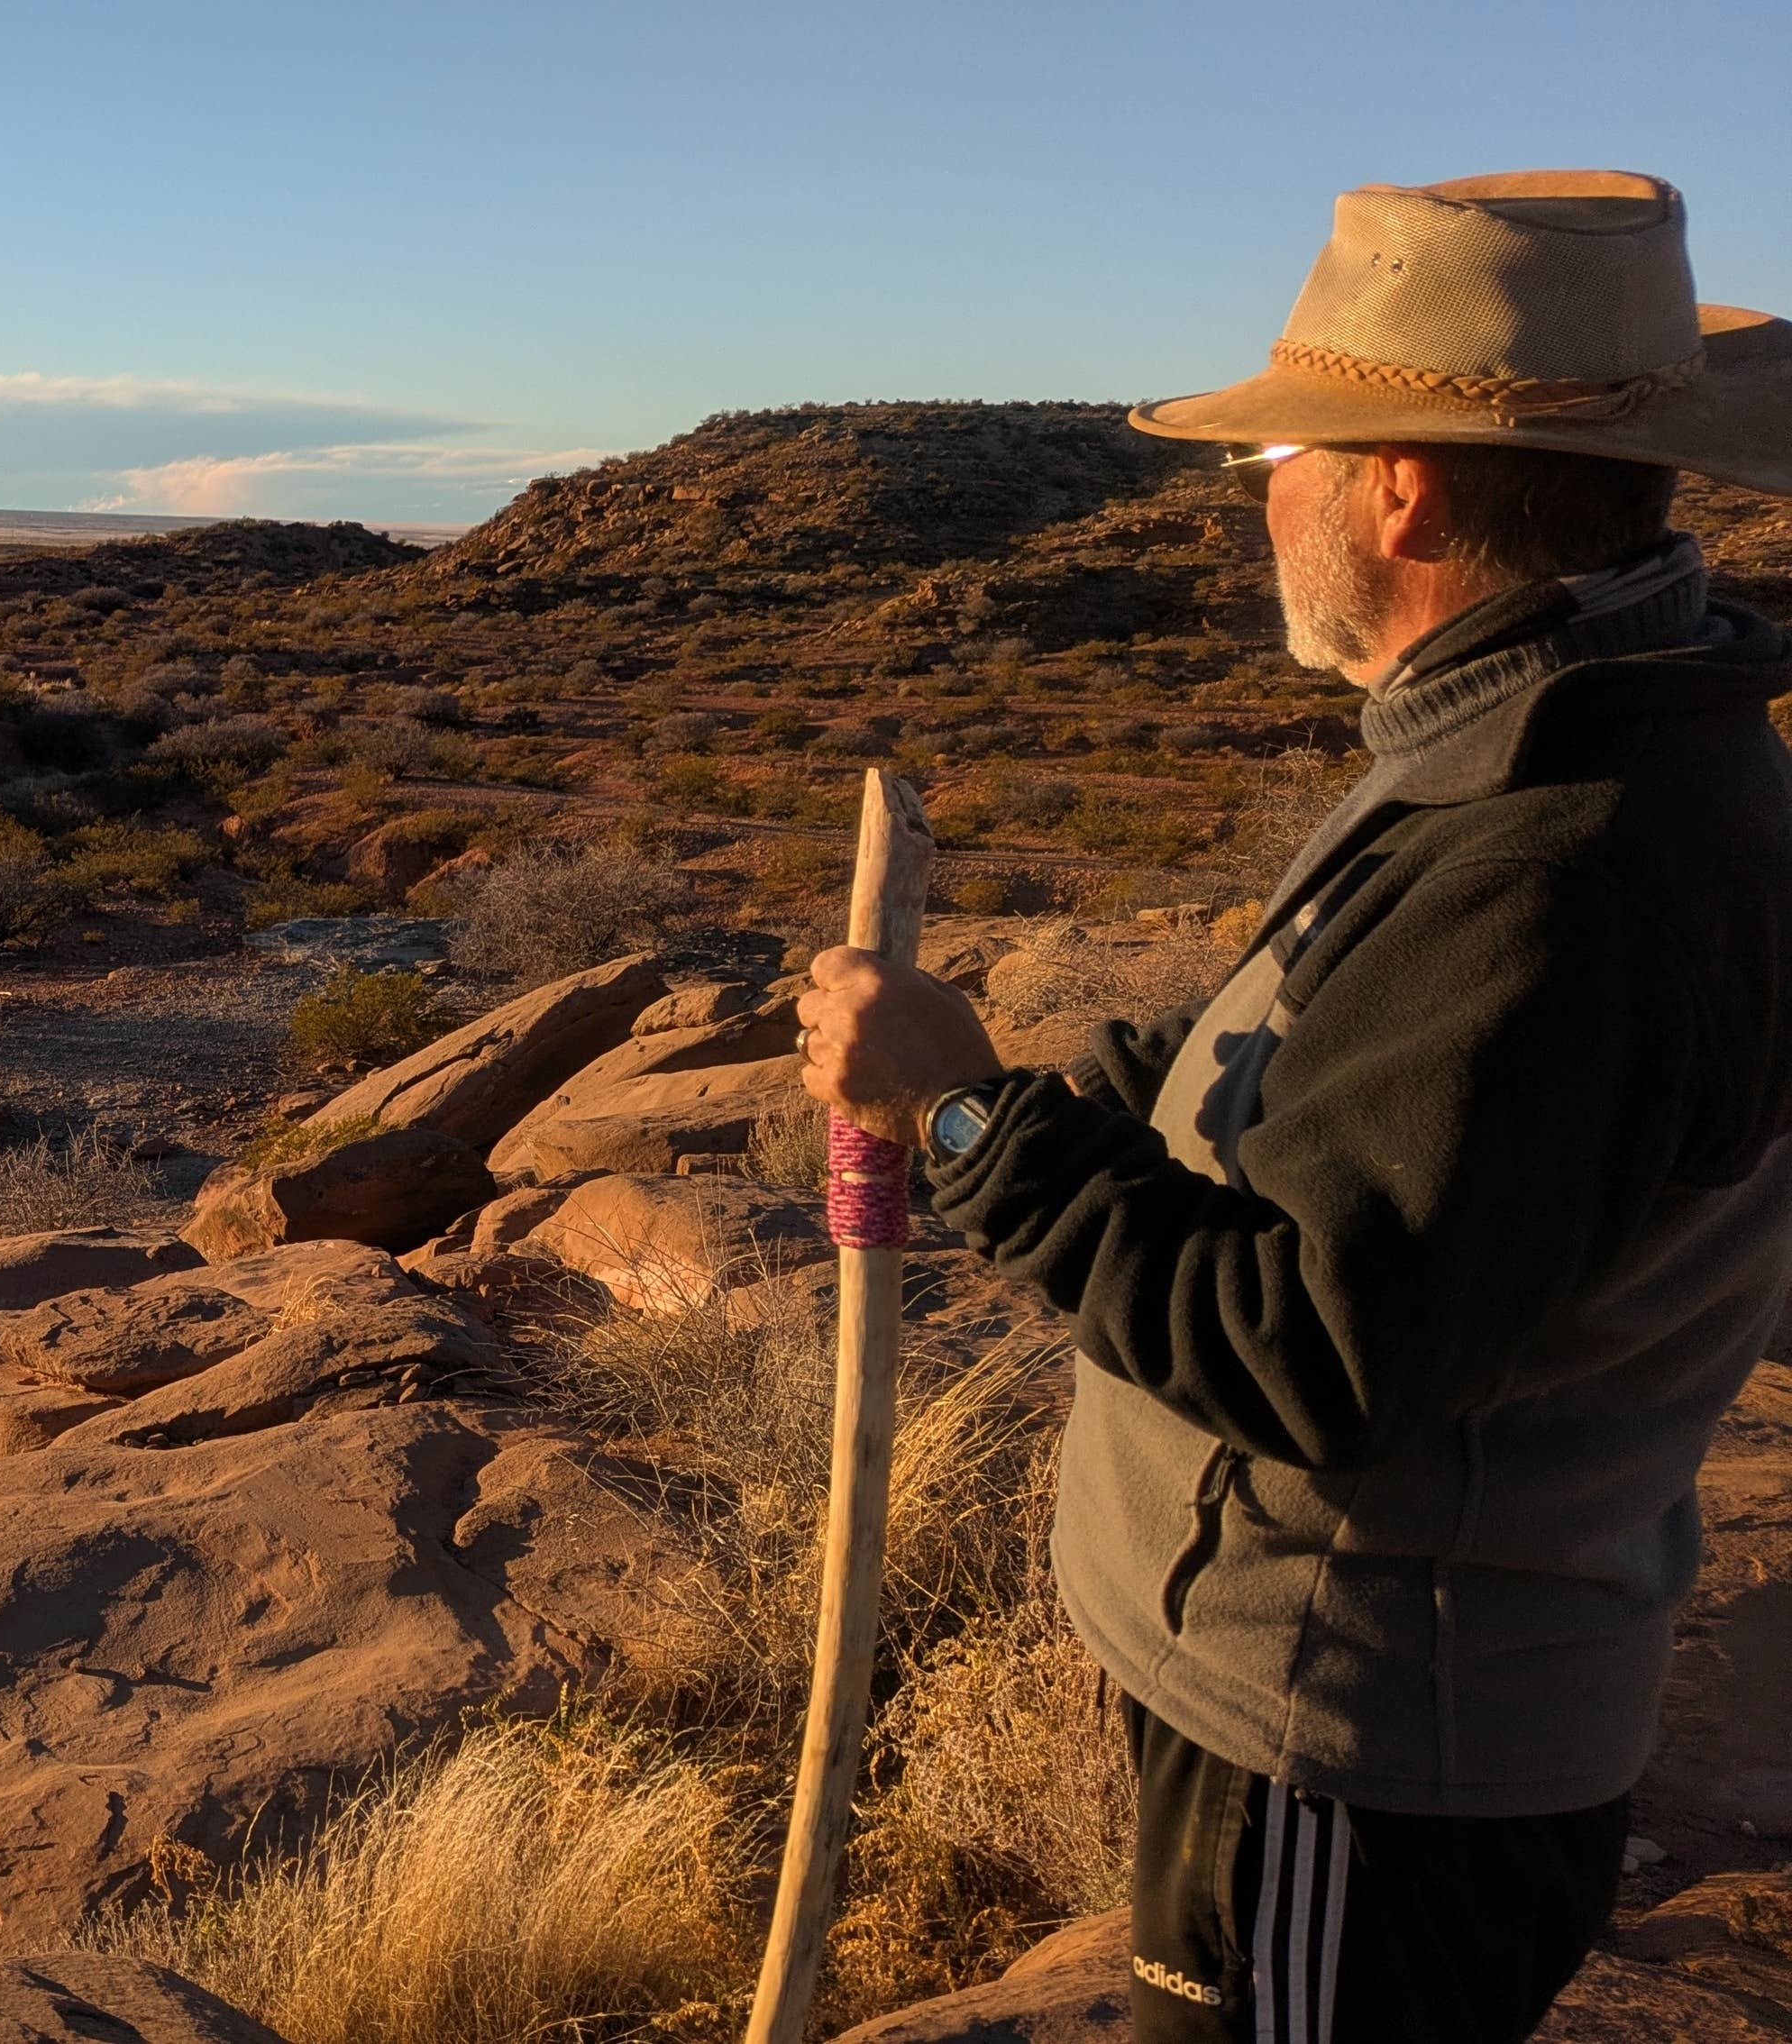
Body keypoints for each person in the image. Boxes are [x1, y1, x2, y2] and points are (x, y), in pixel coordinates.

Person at [794, 170, 1792, 2044]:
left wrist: (961, 1127)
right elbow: (1397, 1109)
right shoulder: (1554, 737)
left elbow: (1321, 1355)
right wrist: (1096, 1095)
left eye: (1277, 453)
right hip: (1344, 1711)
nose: (1256, 496)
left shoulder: (1559, 851)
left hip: (1365, 1742)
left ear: (1400, 484)